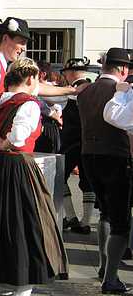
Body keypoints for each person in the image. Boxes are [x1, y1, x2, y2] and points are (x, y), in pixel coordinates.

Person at [0, 17, 76, 296]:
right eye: (20, 42)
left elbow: (25, 90)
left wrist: (70, 90)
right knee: (1, 216)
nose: (22, 47)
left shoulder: (8, 69)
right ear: (5, 39)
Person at [77, 47, 132, 294]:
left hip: (89, 155)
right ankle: (110, 277)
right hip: (116, 157)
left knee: (105, 213)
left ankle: (103, 266)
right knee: (121, 221)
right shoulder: (123, 91)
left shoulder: (86, 91)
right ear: (122, 69)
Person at [59, 58, 94, 235]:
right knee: (87, 181)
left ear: (71, 72)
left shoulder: (74, 90)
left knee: (60, 176)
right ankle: (86, 221)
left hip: (71, 143)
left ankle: (72, 216)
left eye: (65, 72)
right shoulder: (93, 88)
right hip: (88, 143)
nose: (64, 76)